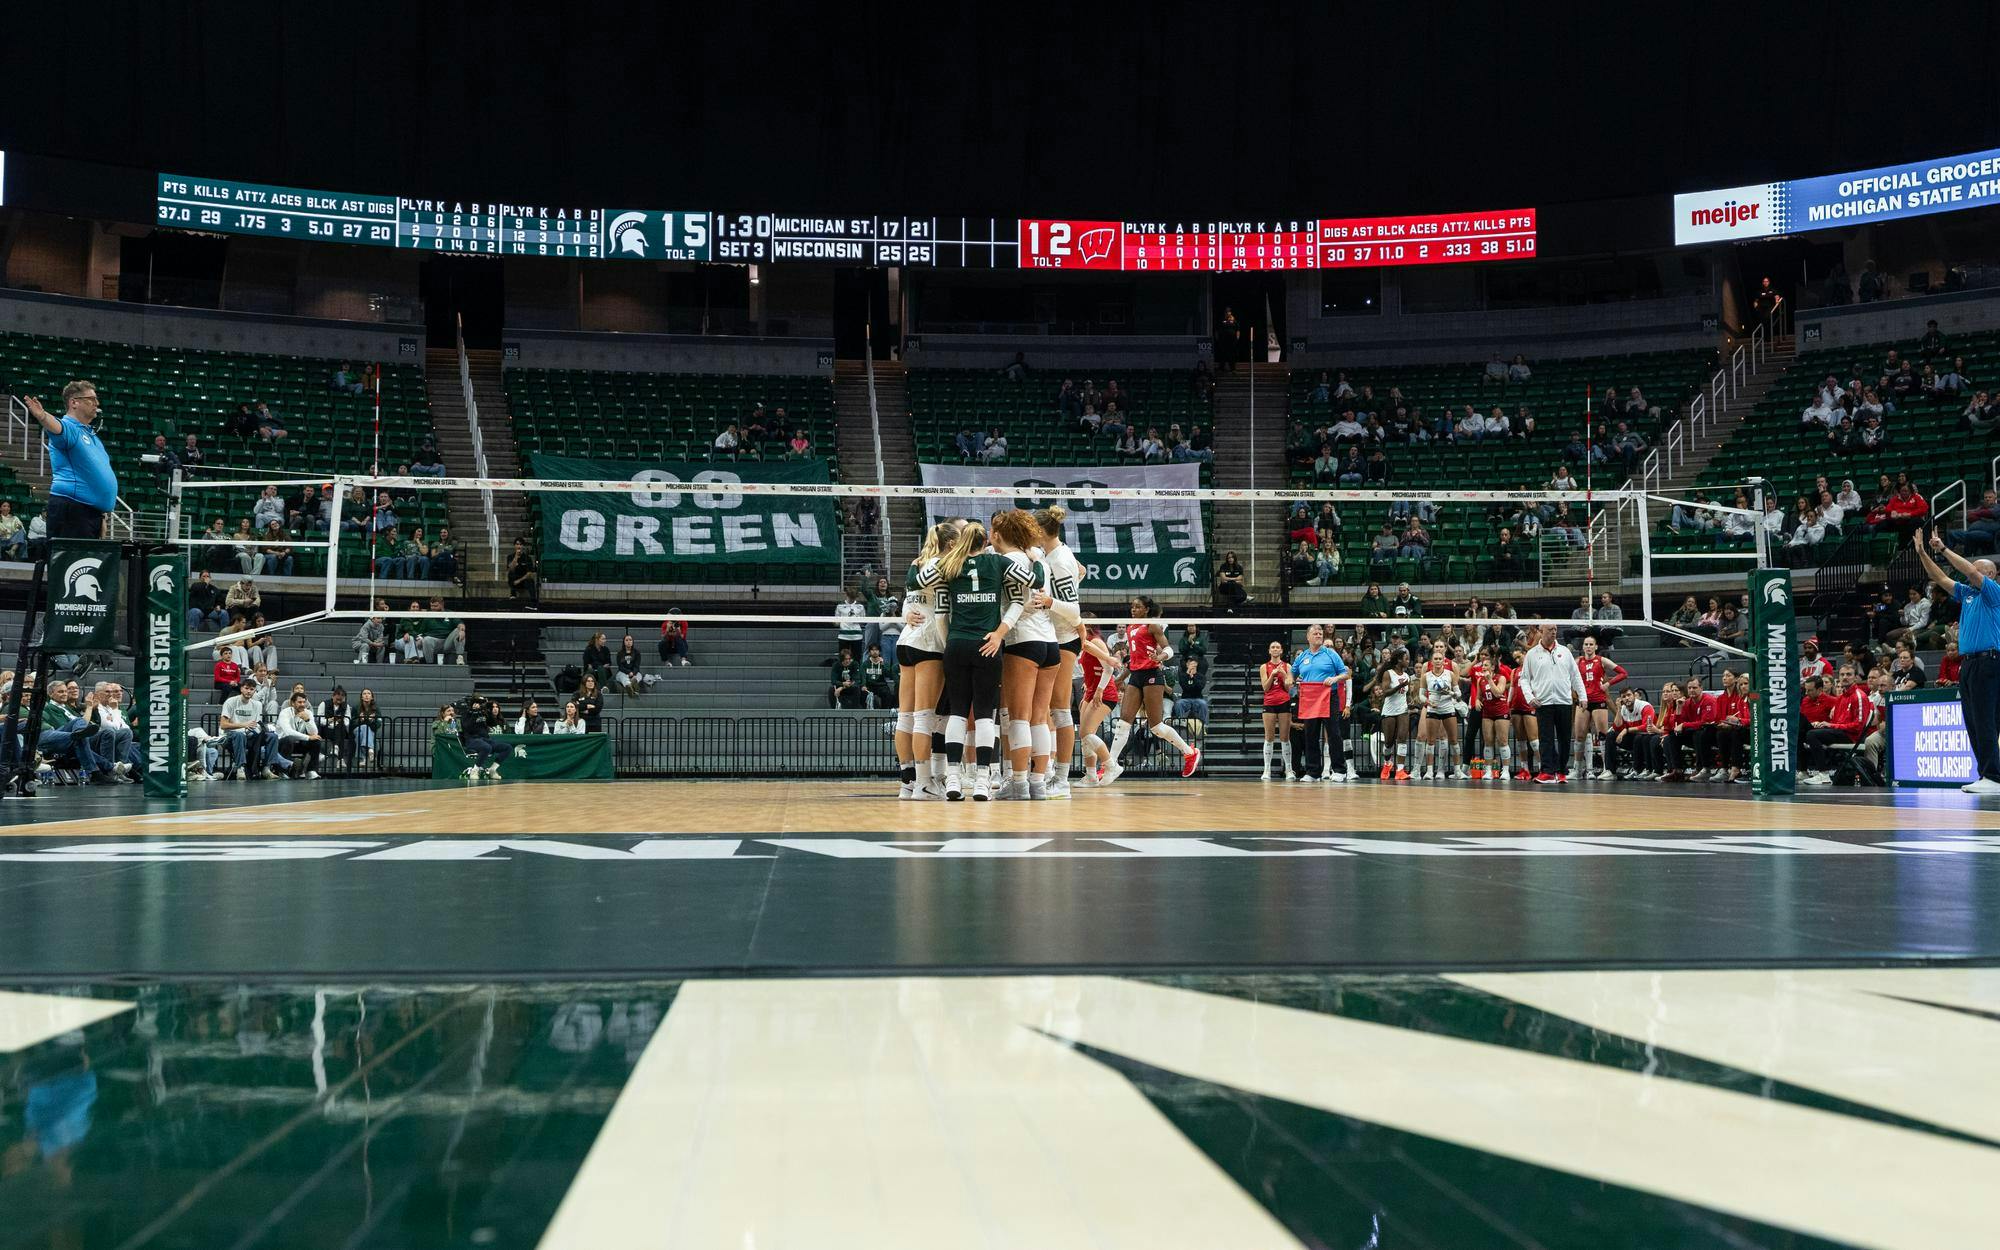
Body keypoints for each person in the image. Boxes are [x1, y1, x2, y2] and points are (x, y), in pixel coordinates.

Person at [914, 521, 1011, 799]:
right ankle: (982, 779)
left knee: (957, 711)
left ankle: (953, 779)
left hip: (956, 645)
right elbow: (1035, 581)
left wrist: (924, 560)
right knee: (983, 716)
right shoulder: (997, 562)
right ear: (985, 542)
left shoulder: (949, 566)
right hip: (988, 646)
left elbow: (916, 583)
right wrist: (1035, 559)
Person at [1914, 529, 2000, 793]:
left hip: (1989, 661)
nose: (1969, 572)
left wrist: (1942, 549)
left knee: (1985, 719)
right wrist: (1922, 553)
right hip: (1970, 663)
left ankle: (1994, 778)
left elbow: (1970, 572)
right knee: (1973, 720)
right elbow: (1938, 577)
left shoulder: (1993, 591)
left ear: (1990, 575)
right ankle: (1986, 774)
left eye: (1975, 569)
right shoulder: (1968, 593)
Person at [990, 509, 1060, 801]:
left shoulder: (1004, 561)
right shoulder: (1036, 558)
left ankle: (1018, 783)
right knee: (1039, 718)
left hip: (1023, 643)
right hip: (1050, 644)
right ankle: (1038, 784)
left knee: (1018, 717)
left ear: (997, 535)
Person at [24, 382, 117, 539]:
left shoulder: (91, 435)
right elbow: (57, 426)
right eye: (91, 399)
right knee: (70, 563)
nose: (97, 403)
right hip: (72, 510)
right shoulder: (70, 428)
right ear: (74, 402)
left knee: (84, 563)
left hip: (89, 514)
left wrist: (101, 515)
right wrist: (42, 416)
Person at [1519, 624, 1585, 783]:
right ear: (1541, 632)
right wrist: (1529, 698)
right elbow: (1524, 679)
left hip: (1564, 701)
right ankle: (1547, 772)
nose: (1554, 632)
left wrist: (1583, 696)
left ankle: (1562, 771)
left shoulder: (1565, 651)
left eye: (1555, 629)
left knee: (1564, 738)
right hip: (1543, 703)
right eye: (1550, 630)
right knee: (1546, 738)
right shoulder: (1532, 654)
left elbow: (1575, 676)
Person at [1290, 623, 1349, 783]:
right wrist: (1294, 680)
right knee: (1310, 734)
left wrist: (1334, 678)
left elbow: (1345, 673)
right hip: (1310, 699)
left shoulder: (1331, 654)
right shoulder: (1302, 657)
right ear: (1308, 637)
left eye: (1320, 633)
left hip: (1329, 696)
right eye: (1315, 633)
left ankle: (1339, 770)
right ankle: (1312, 772)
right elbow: (1292, 673)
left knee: (1334, 733)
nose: (1318, 635)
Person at [1413, 643, 1461, 780]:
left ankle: (1455, 770)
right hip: (1432, 708)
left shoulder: (1450, 673)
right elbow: (1421, 695)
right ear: (1432, 659)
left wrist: (1450, 692)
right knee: (1429, 740)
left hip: (1447, 708)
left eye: (1440, 658)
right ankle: (1428, 771)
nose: (1438, 660)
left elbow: (1458, 694)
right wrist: (1427, 702)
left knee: (1452, 739)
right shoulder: (1426, 674)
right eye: (1436, 658)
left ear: (1444, 657)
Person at [1257, 639, 1296, 781]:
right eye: (1272, 647)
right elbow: (1265, 688)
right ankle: (1266, 769)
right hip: (1269, 703)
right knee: (1269, 737)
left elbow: (1288, 688)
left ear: (1281, 651)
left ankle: (1289, 769)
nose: (1275, 649)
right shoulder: (1264, 667)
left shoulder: (1288, 666)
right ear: (1269, 651)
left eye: (1277, 647)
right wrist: (1273, 674)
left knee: (1285, 738)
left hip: (1284, 702)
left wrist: (1284, 675)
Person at [274, 693, 324, 779]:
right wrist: (308, 737)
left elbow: (314, 733)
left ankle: (311, 771)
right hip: (282, 742)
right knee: (288, 739)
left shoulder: (308, 713)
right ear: (292, 703)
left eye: (304, 702)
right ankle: (283, 771)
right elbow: (288, 732)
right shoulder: (285, 713)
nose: (302, 705)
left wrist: (307, 720)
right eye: (299, 702)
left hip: (298, 743)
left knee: (316, 741)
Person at [316, 686, 354, 772]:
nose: (339, 701)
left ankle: (336, 748)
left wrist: (341, 722)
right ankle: (340, 759)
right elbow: (319, 720)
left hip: (340, 729)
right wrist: (329, 720)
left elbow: (347, 720)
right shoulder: (324, 704)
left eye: (341, 698)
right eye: (337, 698)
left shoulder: (346, 706)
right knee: (338, 729)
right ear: (333, 696)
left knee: (340, 726)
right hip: (326, 729)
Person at [352, 689, 383, 769]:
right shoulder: (356, 707)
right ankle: (370, 749)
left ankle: (363, 759)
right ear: (361, 697)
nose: (366, 695)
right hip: (357, 729)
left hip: (371, 730)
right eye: (364, 693)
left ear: (372, 697)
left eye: (369, 693)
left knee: (363, 731)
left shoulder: (376, 708)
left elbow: (379, 723)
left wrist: (371, 721)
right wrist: (360, 719)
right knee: (363, 728)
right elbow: (351, 723)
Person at [507, 539, 540, 604]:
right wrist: (516, 557)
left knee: (531, 581)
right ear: (514, 546)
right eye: (517, 544)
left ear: (523, 546)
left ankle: (533, 600)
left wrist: (520, 580)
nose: (519, 546)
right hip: (514, 580)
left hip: (523, 580)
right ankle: (513, 594)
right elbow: (511, 568)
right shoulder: (510, 557)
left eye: (520, 544)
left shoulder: (527, 558)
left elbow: (529, 572)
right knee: (511, 574)